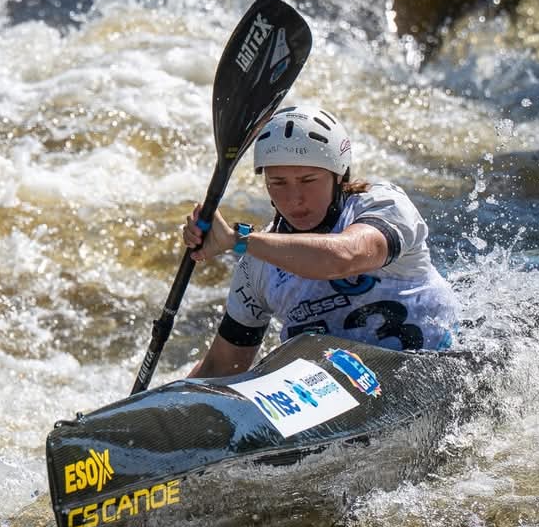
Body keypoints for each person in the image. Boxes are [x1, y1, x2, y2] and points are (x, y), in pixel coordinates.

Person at [182, 105, 458, 378]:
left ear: (339, 175)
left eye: (307, 180)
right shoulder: (257, 264)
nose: (294, 198)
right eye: (278, 182)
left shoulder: (384, 206)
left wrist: (238, 240)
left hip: (441, 369)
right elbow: (221, 368)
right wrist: (155, 410)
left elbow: (344, 257)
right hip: (345, 400)